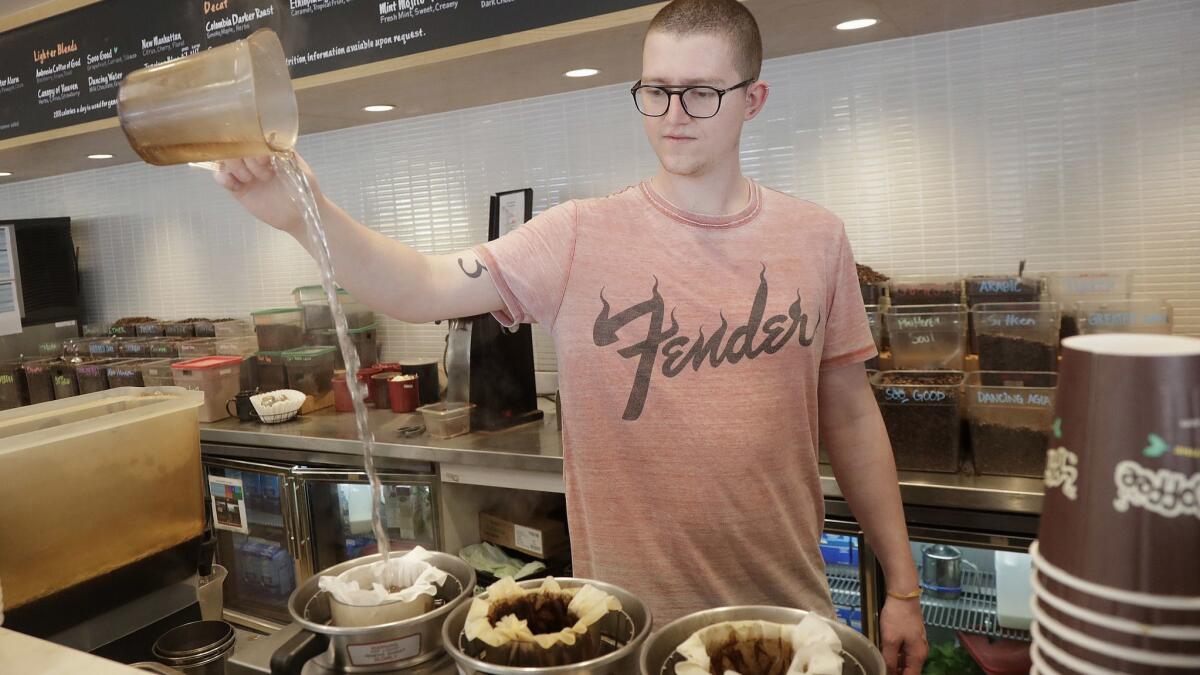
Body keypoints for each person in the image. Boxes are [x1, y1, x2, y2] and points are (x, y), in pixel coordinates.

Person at [216, 0, 928, 671]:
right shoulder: (578, 235)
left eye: (701, 93)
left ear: (753, 99)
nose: (674, 115)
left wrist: (903, 586)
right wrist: (299, 211)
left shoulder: (816, 238)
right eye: (656, 90)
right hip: (620, 637)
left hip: (785, 631)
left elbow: (851, 412)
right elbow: (422, 286)